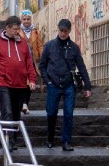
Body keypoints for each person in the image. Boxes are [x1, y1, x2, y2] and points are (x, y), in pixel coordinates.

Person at [39, 18, 91, 151]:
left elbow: (81, 66)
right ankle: (50, 138)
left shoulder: (73, 48)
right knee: (51, 113)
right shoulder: (49, 46)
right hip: (54, 84)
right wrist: (48, 81)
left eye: (65, 31)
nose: (63, 33)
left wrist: (87, 86)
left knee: (69, 114)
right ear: (58, 29)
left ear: (69, 32)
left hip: (68, 84)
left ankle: (66, 141)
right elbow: (42, 65)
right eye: (61, 30)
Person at [0, 15, 35, 150]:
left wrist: (32, 79)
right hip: (3, 81)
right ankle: (8, 141)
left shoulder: (23, 42)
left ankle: (13, 138)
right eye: (14, 29)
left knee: (16, 113)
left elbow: (28, 62)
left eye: (18, 29)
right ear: (7, 28)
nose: (16, 32)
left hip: (20, 83)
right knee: (7, 111)